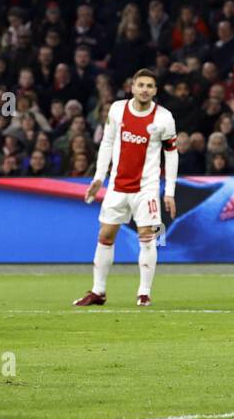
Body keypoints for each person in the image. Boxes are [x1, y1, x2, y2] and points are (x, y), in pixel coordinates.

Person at [75, 69, 178, 307]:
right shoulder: (117, 109)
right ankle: (98, 291)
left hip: (146, 188)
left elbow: (171, 154)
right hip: (117, 186)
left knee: (147, 237)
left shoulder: (163, 117)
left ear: (155, 90)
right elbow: (108, 142)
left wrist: (169, 191)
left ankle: (144, 292)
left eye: (149, 86)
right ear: (132, 87)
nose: (144, 89)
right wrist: (99, 177)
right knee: (105, 235)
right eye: (140, 85)